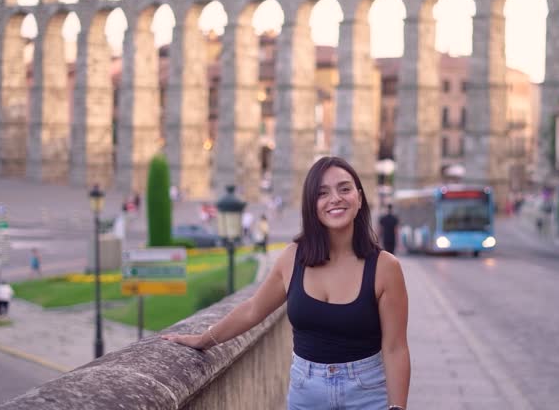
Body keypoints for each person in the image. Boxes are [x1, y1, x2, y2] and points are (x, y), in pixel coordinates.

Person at [162, 156, 411, 410]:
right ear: (311, 205)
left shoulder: (385, 267)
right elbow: (252, 309)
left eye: (344, 189)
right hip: (306, 393)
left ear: (359, 198)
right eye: (322, 193)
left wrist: (398, 408)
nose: (335, 198)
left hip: (367, 394)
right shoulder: (293, 258)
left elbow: (395, 348)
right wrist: (203, 340)